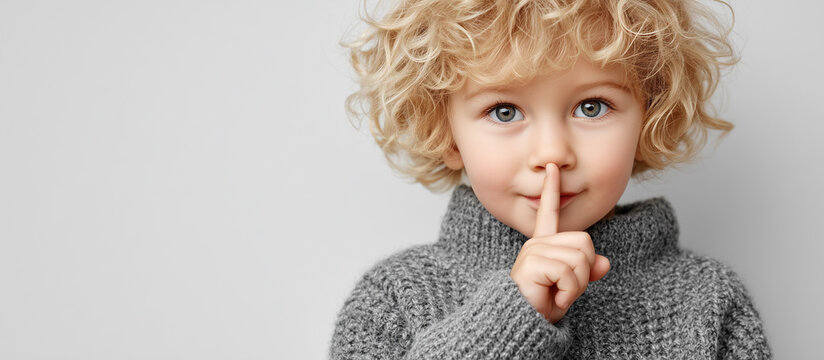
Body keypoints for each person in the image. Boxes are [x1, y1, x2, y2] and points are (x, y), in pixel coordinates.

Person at [330, 0, 771, 358]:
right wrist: (508, 321)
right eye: (504, 111)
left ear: (649, 118)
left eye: (592, 107)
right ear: (447, 136)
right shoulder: (393, 299)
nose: (552, 152)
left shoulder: (710, 300)